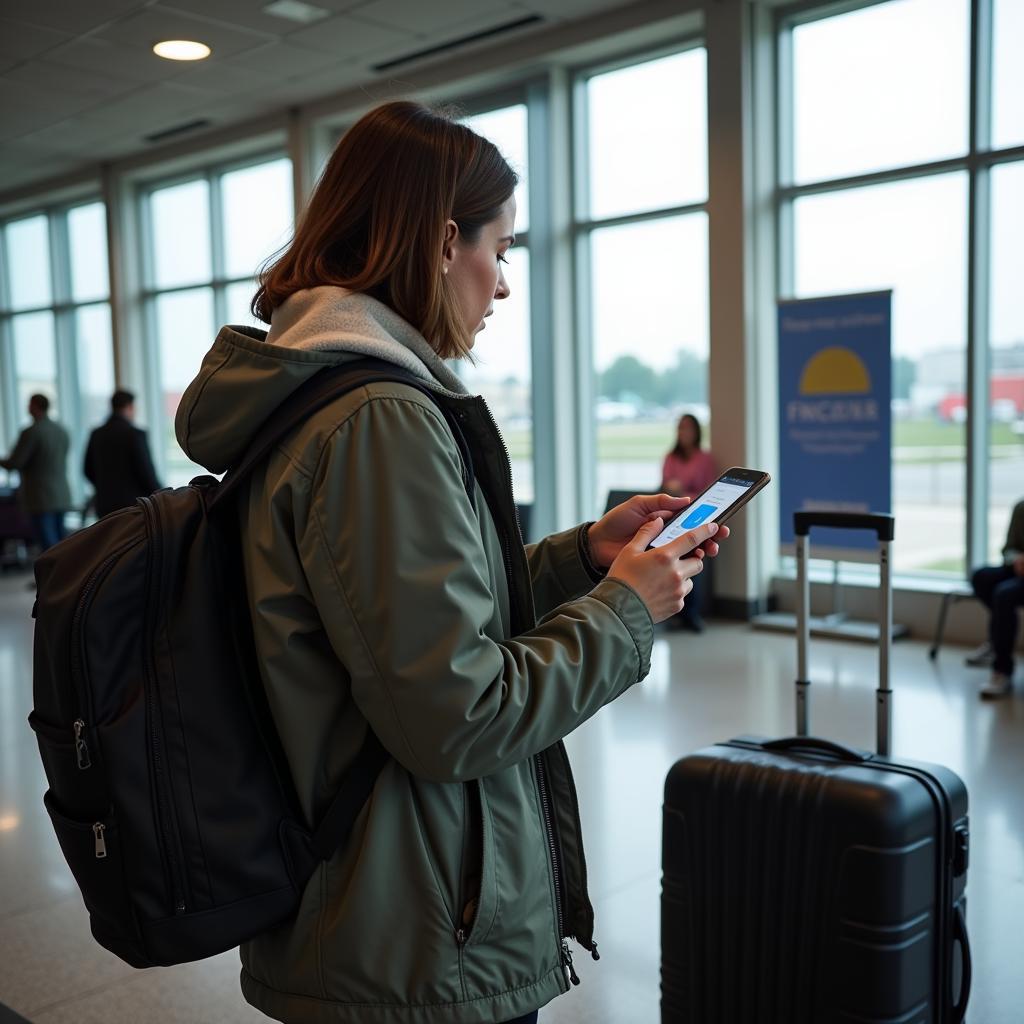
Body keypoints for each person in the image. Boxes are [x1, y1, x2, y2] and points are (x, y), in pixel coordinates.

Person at [174, 101, 727, 1024]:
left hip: (377, 913)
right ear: (440, 242)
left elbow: (391, 624)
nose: (503, 283)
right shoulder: (379, 420)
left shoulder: (317, 392)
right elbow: (457, 715)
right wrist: (627, 609)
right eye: (500, 249)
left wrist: (581, 560)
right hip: (421, 945)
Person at [660, 413, 717, 631]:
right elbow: (665, 486)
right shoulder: (670, 457)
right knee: (672, 561)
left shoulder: (704, 459)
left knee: (693, 561)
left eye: (688, 428)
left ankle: (691, 613)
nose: (684, 432)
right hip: (674, 516)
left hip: (696, 516)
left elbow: (709, 492)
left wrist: (683, 493)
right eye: (680, 427)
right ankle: (673, 610)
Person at [0, 394, 71, 552]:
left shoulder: (31, 432)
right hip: (61, 493)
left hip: (40, 496)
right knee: (63, 543)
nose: (27, 408)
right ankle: (69, 575)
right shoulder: (61, 430)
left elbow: (15, 463)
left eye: (29, 404)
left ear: (35, 406)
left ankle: (54, 576)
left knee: (48, 546)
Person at [968, 498, 1024, 699]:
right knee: (981, 577)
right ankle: (999, 639)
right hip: (1018, 570)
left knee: (1004, 594)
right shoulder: (1021, 507)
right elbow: (1008, 549)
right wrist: (1016, 559)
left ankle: (1001, 670)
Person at [83, 389, 162, 517]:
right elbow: (146, 472)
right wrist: (162, 494)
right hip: (131, 506)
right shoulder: (135, 434)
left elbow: (87, 470)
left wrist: (105, 487)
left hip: (104, 504)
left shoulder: (96, 434)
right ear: (130, 407)